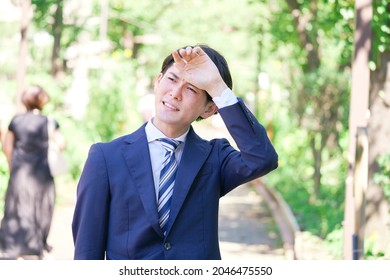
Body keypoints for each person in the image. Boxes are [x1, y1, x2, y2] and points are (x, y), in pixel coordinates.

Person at [72, 44, 278, 260]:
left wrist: (217, 87)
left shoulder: (214, 158)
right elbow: (87, 250)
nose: (175, 93)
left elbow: (262, 159)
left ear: (209, 109)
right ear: (157, 81)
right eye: (171, 79)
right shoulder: (106, 158)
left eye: (192, 89)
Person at [0, 85, 66, 259]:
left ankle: (11, 245)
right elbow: (61, 144)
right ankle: (35, 244)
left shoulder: (16, 121)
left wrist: (12, 165)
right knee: (41, 206)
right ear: (42, 101)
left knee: (16, 207)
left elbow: (7, 146)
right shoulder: (49, 122)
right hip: (41, 174)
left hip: (20, 172)